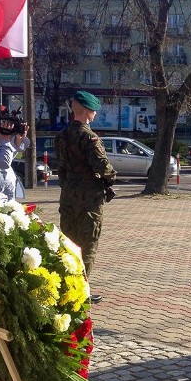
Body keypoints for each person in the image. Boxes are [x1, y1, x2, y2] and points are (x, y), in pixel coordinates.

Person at [55, 91, 117, 299]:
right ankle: (81, 291)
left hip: (68, 194)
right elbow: (102, 166)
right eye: (94, 111)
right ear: (88, 111)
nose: (95, 114)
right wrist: (111, 179)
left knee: (69, 242)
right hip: (89, 196)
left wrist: (68, 184)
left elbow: (60, 167)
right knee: (88, 243)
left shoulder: (61, 136)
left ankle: (65, 286)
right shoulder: (89, 137)